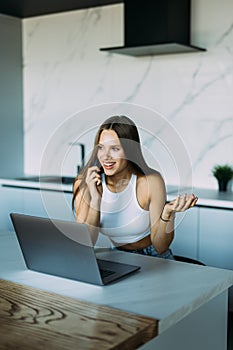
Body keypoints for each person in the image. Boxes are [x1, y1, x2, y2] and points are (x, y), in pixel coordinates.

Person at [72, 115, 198, 259]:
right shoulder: (86, 183)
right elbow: (85, 244)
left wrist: (167, 214)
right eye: (101, 148)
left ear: (129, 150)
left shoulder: (150, 182)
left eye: (115, 148)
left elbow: (161, 246)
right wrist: (95, 199)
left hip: (154, 256)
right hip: (118, 256)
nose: (105, 156)